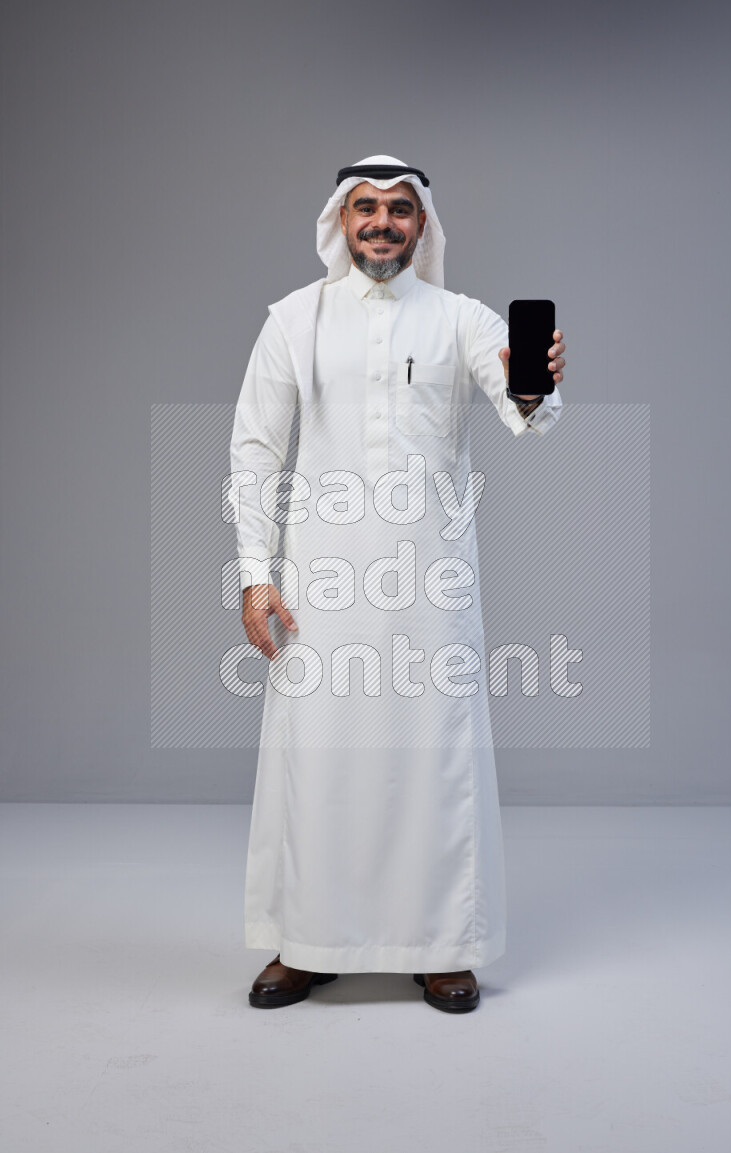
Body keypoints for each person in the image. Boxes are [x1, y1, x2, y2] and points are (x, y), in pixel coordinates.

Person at [227, 155, 565, 1013]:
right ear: (341, 221)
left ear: (423, 226)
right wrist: (256, 575)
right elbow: (256, 453)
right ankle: (306, 942)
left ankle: (442, 944)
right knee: (318, 758)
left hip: (430, 581)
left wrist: (537, 380)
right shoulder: (293, 319)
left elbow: (523, 412)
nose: (382, 223)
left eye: (400, 210)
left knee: (431, 758)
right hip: (322, 579)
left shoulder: (461, 318)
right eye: (366, 208)